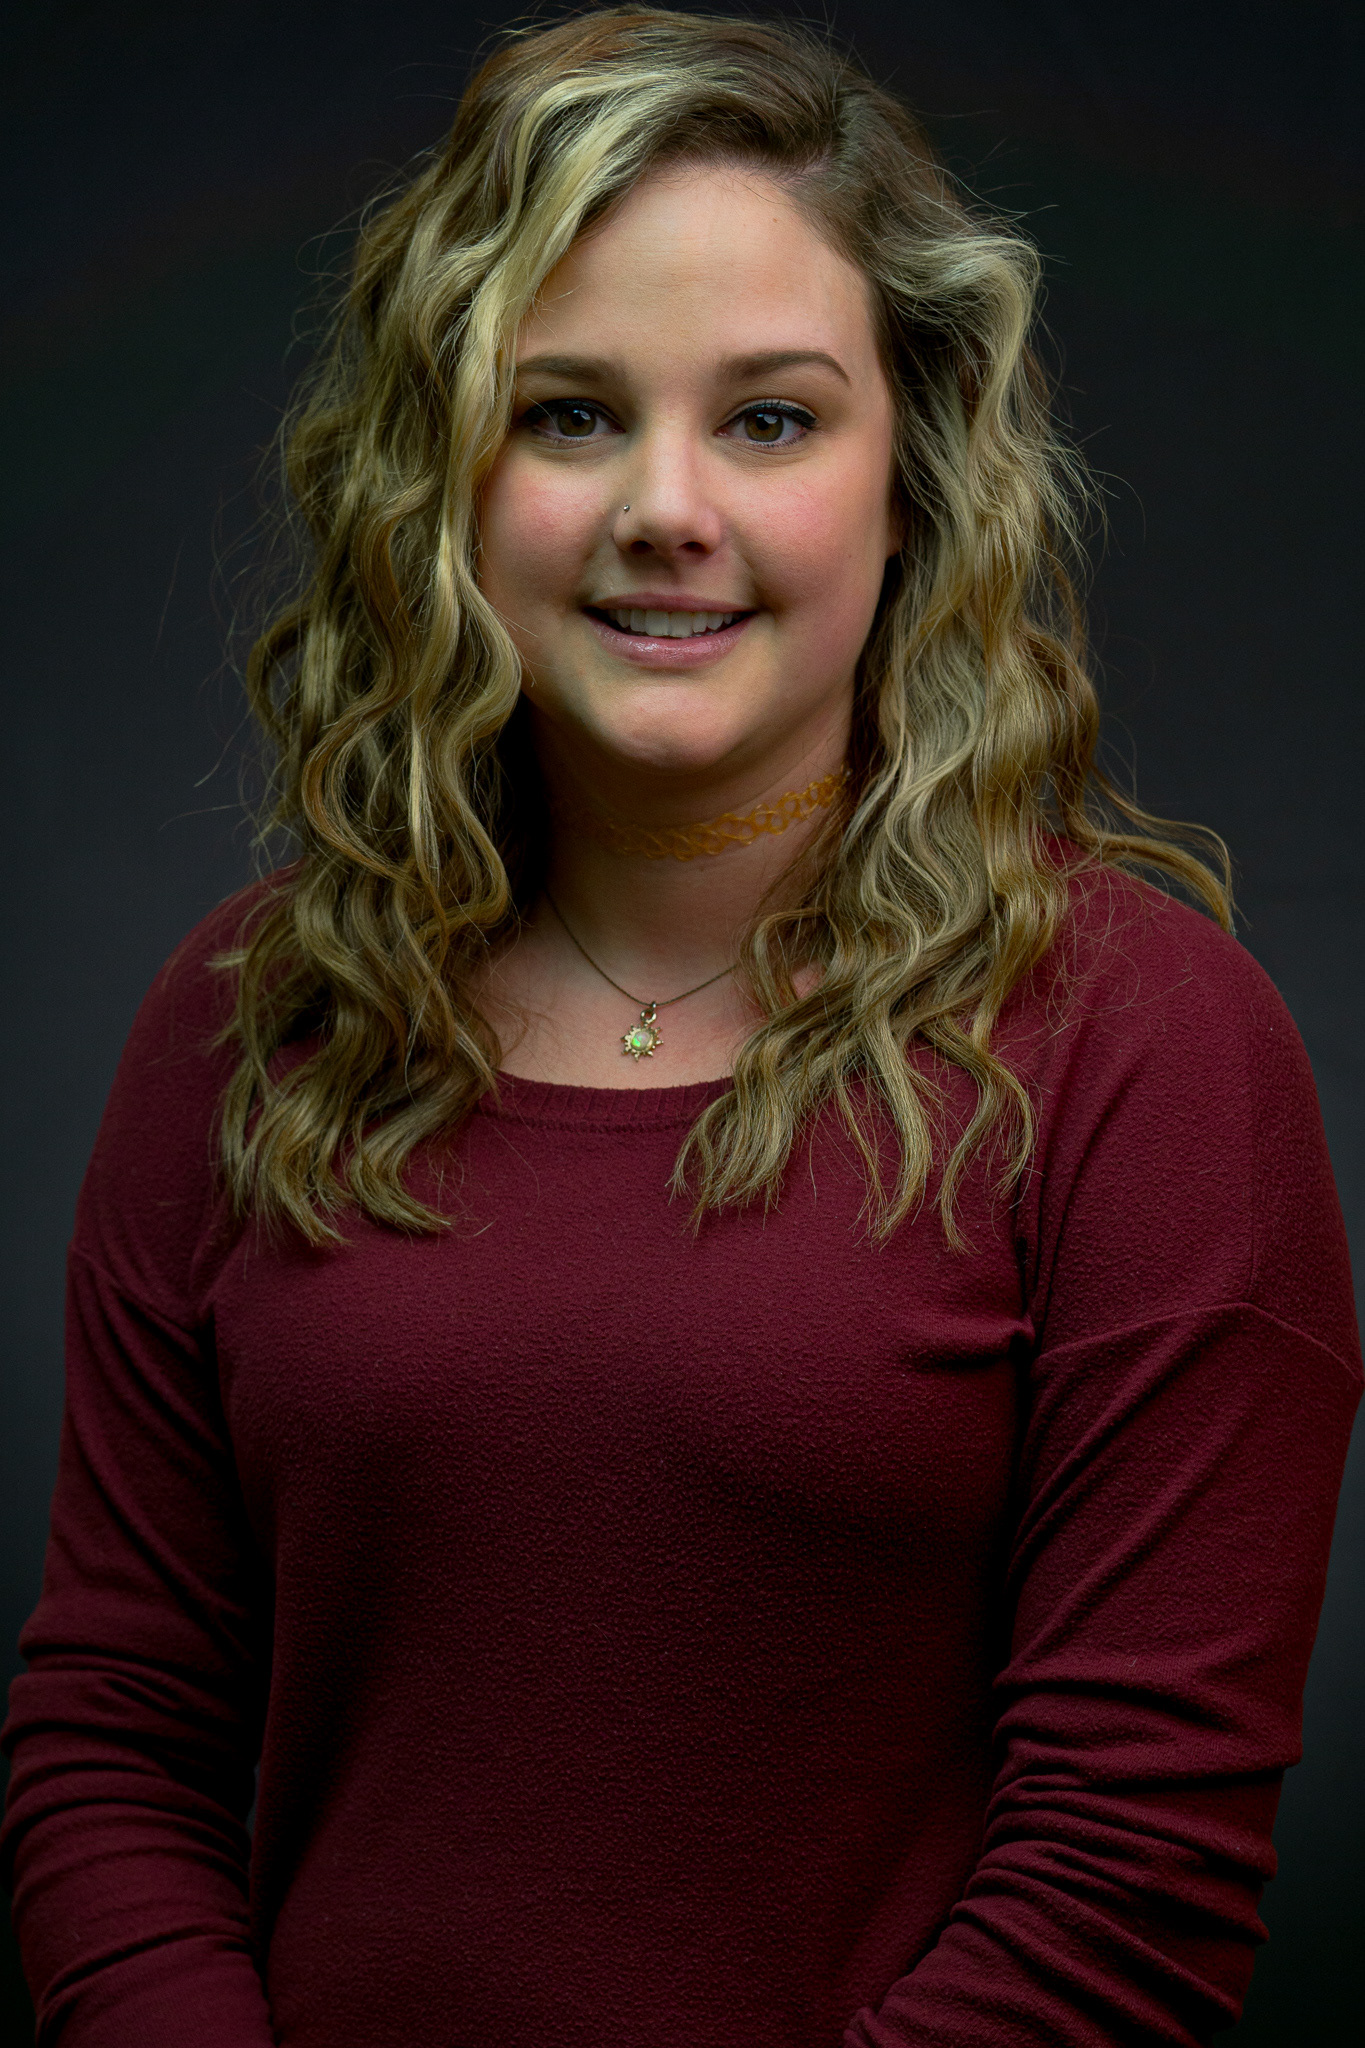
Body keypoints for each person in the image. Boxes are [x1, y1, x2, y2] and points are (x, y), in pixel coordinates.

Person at [2, 10, 1359, 2047]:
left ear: (911, 476)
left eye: (768, 420)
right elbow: (116, 1726)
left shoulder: (1147, 1050)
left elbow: (1126, 1885)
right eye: (566, 413)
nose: (663, 505)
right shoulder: (246, 1021)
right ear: (444, 478)